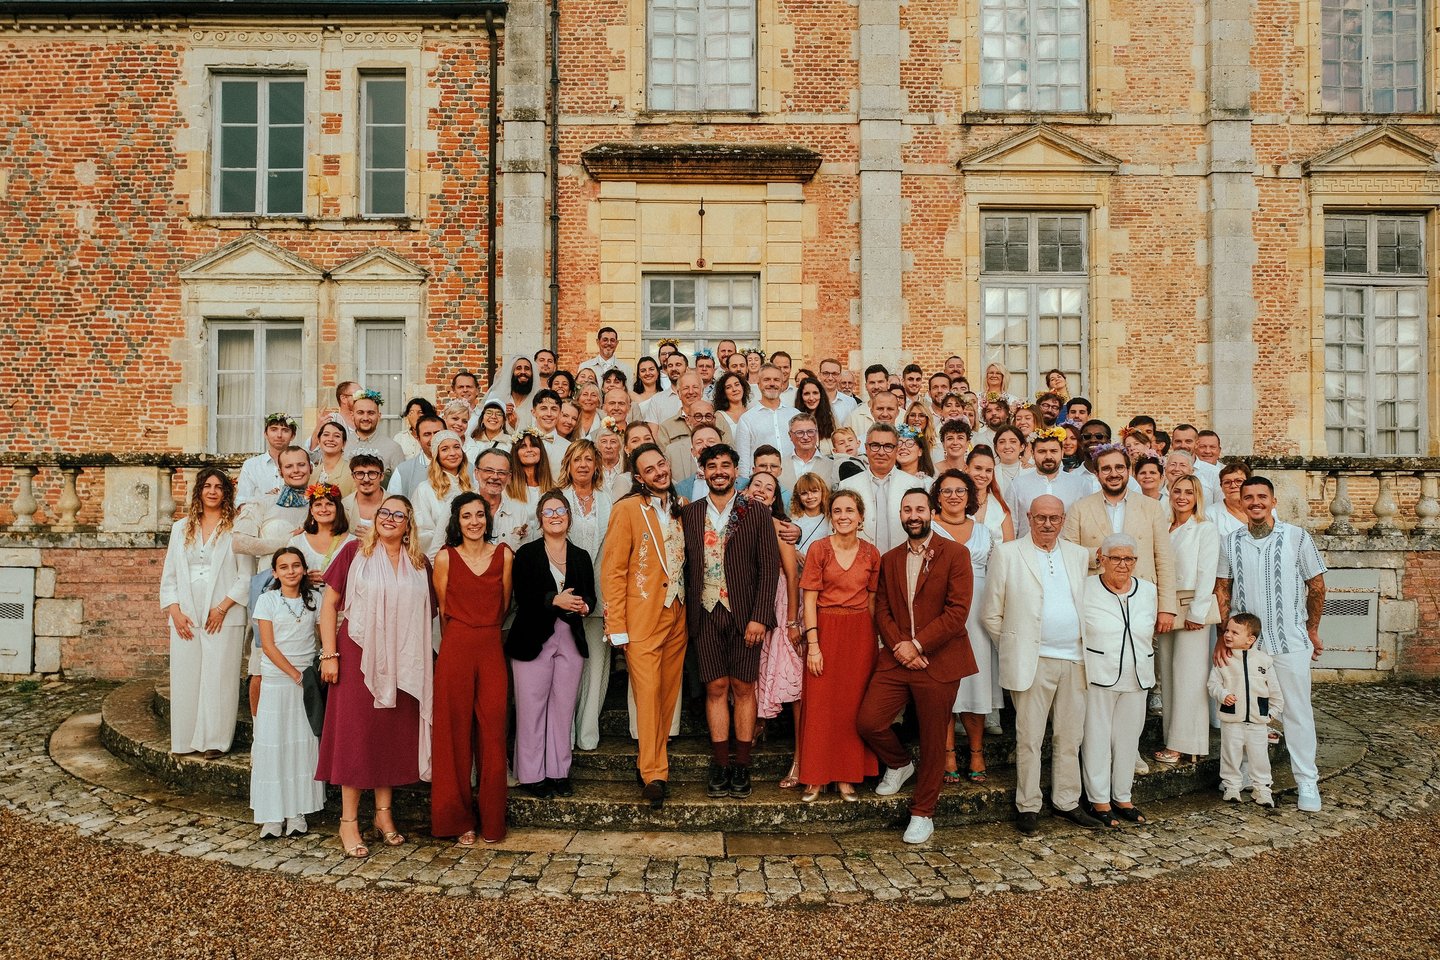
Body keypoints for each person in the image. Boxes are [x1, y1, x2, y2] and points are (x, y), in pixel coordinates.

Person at [316, 495, 436, 858]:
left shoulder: (420, 563)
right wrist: (329, 654)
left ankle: (384, 814)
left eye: (398, 514)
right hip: (358, 654)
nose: (389, 518)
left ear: (408, 523)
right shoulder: (354, 553)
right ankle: (348, 821)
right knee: (357, 735)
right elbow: (328, 605)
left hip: (403, 657)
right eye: (385, 512)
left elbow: (428, 613)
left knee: (389, 734)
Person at [857, 489, 976, 846]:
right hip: (897, 658)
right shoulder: (890, 558)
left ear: (932, 512)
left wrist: (919, 645)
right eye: (907, 509)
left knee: (933, 739)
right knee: (869, 721)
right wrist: (901, 647)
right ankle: (899, 764)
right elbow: (882, 610)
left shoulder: (955, 553)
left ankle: (923, 813)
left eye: (919, 509)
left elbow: (957, 612)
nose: (913, 515)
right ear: (901, 515)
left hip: (939, 660)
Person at [983, 495, 1105, 834]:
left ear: (1063, 519)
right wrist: (1016, 648)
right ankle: (1028, 804)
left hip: (1075, 659)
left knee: (1070, 737)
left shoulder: (1078, 555)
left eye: (1054, 518)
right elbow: (991, 613)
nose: (1047, 524)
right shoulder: (1007, 554)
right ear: (1029, 517)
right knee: (1029, 738)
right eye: (1041, 517)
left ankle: (1066, 801)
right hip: (1033, 662)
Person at [1215, 476, 1328, 813]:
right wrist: (1224, 636)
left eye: (1262, 496)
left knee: (1297, 713)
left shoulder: (1296, 537)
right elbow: (1222, 590)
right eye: (1248, 497)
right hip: (1248, 647)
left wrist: (1312, 629)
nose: (1255, 502)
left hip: (1290, 640)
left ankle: (1307, 780)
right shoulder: (1230, 542)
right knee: (1246, 711)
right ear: (1241, 502)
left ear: (1273, 501)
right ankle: (1246, 774)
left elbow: (1317, 586)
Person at [680, 444, 781, 799]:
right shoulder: (690, 513)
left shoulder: (756, 511)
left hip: (744, 615)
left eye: (725, 465)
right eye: (712, 465)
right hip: (705, 612)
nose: (719, 471)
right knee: (715, 687)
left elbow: (769, 568)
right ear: (703, 472)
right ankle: (721, 763)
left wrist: (760, 617)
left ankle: (742, 763)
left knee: (744, 687)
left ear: (737, 471)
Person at [602, 444, 688, 808]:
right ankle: (653, 772)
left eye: (661, 464)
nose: (659, 472)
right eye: (649, 469)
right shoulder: (626, 509)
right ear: (639, 477)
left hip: (678, 613)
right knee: (648, 693)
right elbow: (613, 570)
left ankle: (656, 762)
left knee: (667, 695)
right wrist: (616, 625)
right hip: (642, 616)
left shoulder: (681, 507)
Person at [430, 492, 512, 845]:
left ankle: (493, 821)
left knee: (493, 734)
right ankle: (457, 819)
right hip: (456, 649)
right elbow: (443, 609)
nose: (475, 521)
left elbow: (504, 604)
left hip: (491, 647)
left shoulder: (504, 555)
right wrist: (462, 638)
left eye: (480, 515)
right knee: (453, 734)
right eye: (467, 516)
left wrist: (483, 630)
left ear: (487, 519)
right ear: (457, 521)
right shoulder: (445, 558)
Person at [508, 491, 595, 799]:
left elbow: (590, 596)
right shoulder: (527, 554)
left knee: (563, 709)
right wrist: (554, 600)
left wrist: (584, 606)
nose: (555, 516)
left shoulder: (581, 556)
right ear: (540, 518)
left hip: (570, 638)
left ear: (569, 516)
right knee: (531, 709)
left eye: (560, 510)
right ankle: (532, 775)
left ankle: (559, 773)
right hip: (533, 638)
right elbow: (522, 595)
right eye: (548, 511)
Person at [797, 489, 882, 801]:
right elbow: (809, 600)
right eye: (837, 511)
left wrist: (875, 642)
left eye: (849, 510)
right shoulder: (819, 549)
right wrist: (814, 645)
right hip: (825, 630)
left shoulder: (872, 553)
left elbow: (872, 602)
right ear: (830, 517)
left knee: (852, 705)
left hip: (859, 634)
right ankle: (815, 777)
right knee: (820, 704)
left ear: (860, 516)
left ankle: (847, 775)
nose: (843, 516)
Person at [159, 468, 248, 758]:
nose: (212, 491)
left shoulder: (236, 529)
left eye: (218, 487)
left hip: (224, 614)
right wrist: (175, 611)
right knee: (186, 677)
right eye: (207, 486)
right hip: (186, 614)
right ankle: (185, 740)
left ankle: (215, 741)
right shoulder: (180, 528)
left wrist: (222, 608)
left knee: (219, 677)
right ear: (199, 491)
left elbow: (245, 577)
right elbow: (169, 575)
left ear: (226, 492)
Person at [1080, 533, 1159, 828]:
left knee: (1128, 739)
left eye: (1129, 558)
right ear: (1102, 559)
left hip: (1137, 675)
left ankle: (1123, 797)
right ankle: (1098, 799)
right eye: (1115, 558)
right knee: (1097, 738)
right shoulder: (1086, 588)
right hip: (1099, 673)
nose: (1122, 564)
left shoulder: (1148, 590)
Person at [249, 547, 325, 838]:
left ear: (304, 569)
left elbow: (322, 637)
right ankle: (271, 815)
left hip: (306, 681)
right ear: (275, 572)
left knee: (300, 744)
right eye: (284, 567)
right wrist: (294, 675)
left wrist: (316, 669)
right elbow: (267, 645)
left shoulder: (314, 599)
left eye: (296, 565)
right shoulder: (267, 600)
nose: (290, 571)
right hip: (278, 679)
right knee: (275, 742)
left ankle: (297, 811)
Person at [929, 470, 999, 781]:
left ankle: (976, 751)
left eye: (960, 490)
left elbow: (996, 576)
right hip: (940, 612)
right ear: (937, 496)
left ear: (970, 495)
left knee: (976, 682)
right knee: (944, 685)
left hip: (978, 614)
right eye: (947, 491)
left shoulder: (984, 533)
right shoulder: (929, 529)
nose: (954, 496)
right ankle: (947, 753)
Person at [1063, 444, 1178, 632]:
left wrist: (1166, 607)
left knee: (1140, 649)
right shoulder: (1080, 508)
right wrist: (1097, 555)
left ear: (1129, 471)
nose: (1113, 474)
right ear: (1097, 474)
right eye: (1106, 469)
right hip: (1096, 597)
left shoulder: (1151, 507)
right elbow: (1067, 554)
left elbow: (1164, 559)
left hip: (1142, 594)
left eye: (1119, 467)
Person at [233, 444, 313, 714]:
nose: (296, 470)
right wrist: (287, 543)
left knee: (306, 662)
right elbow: (239, 542)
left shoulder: (320, 504)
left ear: (310, 467)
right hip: (270, 589)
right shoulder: (264, 502)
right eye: (289, 466)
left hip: (308, 591)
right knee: (261, 666)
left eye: (301, 464)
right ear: (280, 471)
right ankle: (260, 731)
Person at [1153, 473, 1220, 765]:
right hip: (1166, 606)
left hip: (1191, 606)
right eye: (1177, 491)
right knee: (1169, 675)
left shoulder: (1204, 528)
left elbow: (1207, 572)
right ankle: (1173, 738)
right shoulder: (1166, 527)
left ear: (1197, 498)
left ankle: (1188, 744)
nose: (1182, 497)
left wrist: (1197, 612)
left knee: (1189, 677)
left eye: (1188, 493)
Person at [747, 470, 803, 786]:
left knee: (791, 678)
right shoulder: (737, 521)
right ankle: (756, 726)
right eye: (757, 484)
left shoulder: (779, 527)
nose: (762, 490)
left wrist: (793, 621)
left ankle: (801, 757)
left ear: (774, 498)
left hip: (781, 606)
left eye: (769, 488)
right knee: (754, 673)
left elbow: (792, 575)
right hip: (752, 604)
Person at [557, 440, 613, 751]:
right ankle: (563, 735)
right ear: (568, 464)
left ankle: (588, 733)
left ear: (596, 465)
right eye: (577, 459)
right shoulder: (557, 499)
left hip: (600, 595)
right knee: (566, 666)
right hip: (565, 594)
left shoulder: (608, 500)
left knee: (597, 664)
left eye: (588, 459)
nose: (583, 465)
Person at [1208, 613, 1284, 808]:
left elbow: (1275, 691)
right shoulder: (1224, 660)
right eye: (1227, 630)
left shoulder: (1264, 661)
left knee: (1259, 757)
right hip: (1232, 719)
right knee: (1230, 754)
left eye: (1235, 632)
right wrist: (1223, 694)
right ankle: (1232, 786)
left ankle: (1262, 788)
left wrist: (1271, 713)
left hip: (1257, 722)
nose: (1227, 635)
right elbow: (1212, 684)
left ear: (1250, 639)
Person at [838, 423, 909, 553]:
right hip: (858, 560)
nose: (881, 452)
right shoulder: (847, 486)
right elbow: (836, 533)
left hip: (902, 561)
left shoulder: (914, 485)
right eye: (875, 446)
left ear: (897, 449)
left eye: (888, 446)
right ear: (866, 448)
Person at [1005, 429, 1082, 538]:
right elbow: (1011, 526)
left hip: (1067, 547)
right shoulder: (1017, 485)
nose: (1048, 456)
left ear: (1062, 453)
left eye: (1054, 451)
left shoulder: (1078, 484)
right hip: (1026, 547)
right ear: (1033, 454)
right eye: (1042, 451)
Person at [412, 430, 475, 559]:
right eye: (445, 449)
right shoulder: (425, 489)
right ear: (437, 455)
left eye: (456, 447)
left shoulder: (472, 488)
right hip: (439, 557)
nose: (452, 453)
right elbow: (421, 531)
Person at [288, 483, 354, 590]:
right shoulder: (297, 542)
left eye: (329, 504)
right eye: (318, 505)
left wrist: (335, 579)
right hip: (306, 599)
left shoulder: (352, 542)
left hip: (340, 600)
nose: (324, 509)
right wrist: (303, 579)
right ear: (311, 510)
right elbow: (286, 575)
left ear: (338, 509)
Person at [735, 364, 799, 471]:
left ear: (782, 384)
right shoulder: (747, 419)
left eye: (776, 380)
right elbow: (743, 459)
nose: (772, 384)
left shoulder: (795, 415)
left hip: (792, 477)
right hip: (761, 479)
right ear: (759, 384)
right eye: (767, 380)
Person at [474, 447, 533, 550]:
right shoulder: (460, 507)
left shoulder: (519, 512)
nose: (495, 477)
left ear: (509, 477)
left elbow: (527, 552)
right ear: (476, 473)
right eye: (489, 471)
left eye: (501, 472)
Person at [237, 412, 297, 506]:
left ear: (293, 436)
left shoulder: (303, 465)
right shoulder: (251, 466)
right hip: (258, 515)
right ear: (265, 434)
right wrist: (265, 500)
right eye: (274, 429)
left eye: (285, 430)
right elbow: (241, 501)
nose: (279, 435)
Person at [967, 444, 1016, 547]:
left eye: (988, 470)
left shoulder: (1001, 506)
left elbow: (1009, 548)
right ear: (966, 469)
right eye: (978, 468)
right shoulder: (956, 501)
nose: (983, 475)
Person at [346, 391, 404, 473]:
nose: (365, 418)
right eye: (360, 413)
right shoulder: (342, 445)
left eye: (371, 413)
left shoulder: (393, 448)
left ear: (379, 416)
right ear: (352, 416)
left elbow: (402, 479)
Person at [388, 414, 444, 498]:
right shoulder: (403, 471)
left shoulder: (463, 466)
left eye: (437, 433)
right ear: (418, 439)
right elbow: (393, 503)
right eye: (427, 434)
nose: (433, 439)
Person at [780, 412, 836, 492]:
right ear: (790, 435)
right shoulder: (780, 466)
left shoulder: (832, 466)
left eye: (810, 431)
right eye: (800, 433)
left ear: (816, 433)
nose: (806, 437)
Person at [310, 421, 355, 497]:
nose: (330, 439)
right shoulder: (313, 473)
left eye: (337, 436)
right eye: (326, 435)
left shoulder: (352, 472)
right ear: (319, 440)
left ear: (344, 443)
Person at [342, 454, 387, 532]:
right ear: (353, 476)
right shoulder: (344, 505)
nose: (366, 479)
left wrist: (373, 537)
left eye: (372, 473)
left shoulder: (396, 504)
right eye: (360, 473)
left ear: (382, 476)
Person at [395, 397, 437, 461]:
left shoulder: (435, 436)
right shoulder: (400, 437)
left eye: (420, 412)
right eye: (411, 412)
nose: (415, 416)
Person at [712, 371, 750, 440]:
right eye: (728, 387)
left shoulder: (752, 412)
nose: (734, 389)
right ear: (723, 393)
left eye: (737, 385)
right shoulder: (719, 416)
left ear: (743, 387)